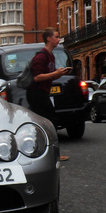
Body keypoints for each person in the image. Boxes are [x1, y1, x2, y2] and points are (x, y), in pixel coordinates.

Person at [26, 28, 72, 161]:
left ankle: (44, 152)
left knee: (46, 123)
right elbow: (36, 77)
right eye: (56, 37)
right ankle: (51, 154)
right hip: (36, 94)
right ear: (49, 39)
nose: (58, 39)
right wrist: (55, 74)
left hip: (43, 93)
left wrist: (59, 73)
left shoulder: (50, 55)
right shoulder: (41, 56)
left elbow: (47, 76)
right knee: (49, 123)